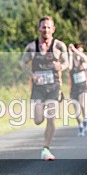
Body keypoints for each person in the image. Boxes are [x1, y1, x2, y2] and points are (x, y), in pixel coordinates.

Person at [20, 16, 69, 161]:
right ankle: (45, 148)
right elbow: (22, 63)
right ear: (38, 29)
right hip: (38, 88)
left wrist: (60, 66)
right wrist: (32, 75)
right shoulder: (31, 47)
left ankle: (46, 149)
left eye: (48, 27)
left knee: (51, 117)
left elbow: (67, 63)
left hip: (54, 86)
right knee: (38, 119)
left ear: (53, 29)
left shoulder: (59, 46)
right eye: (43, 27)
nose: (46, 30)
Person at [67, 43, 87, 137]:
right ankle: (80, 125)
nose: (79, 53)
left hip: (83, 87)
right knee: (76, 109)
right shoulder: (71, 61)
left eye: (80, 51)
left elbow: (86, 58)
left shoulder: (83, 61)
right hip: (74, 88)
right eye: (77, 51)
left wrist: (75, 50)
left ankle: (85, 120)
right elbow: (69, 68)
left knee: (82, 104)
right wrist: (70, 54)